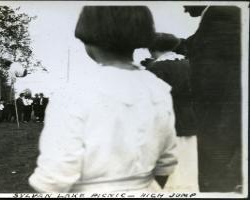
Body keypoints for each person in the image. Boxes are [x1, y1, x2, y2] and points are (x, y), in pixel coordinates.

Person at [29, 6, 177, 193]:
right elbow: (166, 163)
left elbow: (53, 177)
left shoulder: (73, 93)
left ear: (88, 39)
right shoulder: (158, 88)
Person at [179, 6, 241, 192]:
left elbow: (215, 65)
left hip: (218, 110)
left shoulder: (222, 14)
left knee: (217, 168)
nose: (184, 8)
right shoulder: (217, 17)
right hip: (220, 107)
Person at [145, 32, 199, 192]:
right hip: (189, 118)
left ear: (151, 49)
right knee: (187, 160)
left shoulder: (155, 68)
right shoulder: (189, 63)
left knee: (169, 164)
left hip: (168, 120)